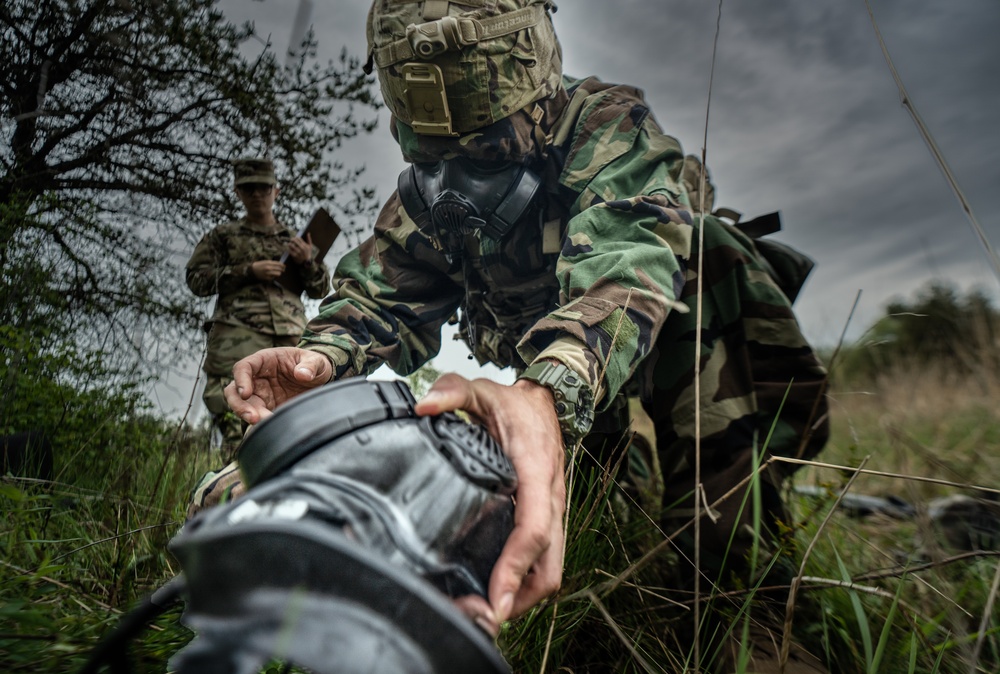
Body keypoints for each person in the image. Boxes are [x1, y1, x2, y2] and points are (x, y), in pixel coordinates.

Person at [224, 2, 830, 670]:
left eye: (481, 139)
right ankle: (617, 548)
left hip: (643, 359)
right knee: (597, 538)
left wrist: (545, 394)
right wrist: (319, 356)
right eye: (435, 144)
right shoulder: (429, 200)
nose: (457, 165)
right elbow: (378, 291)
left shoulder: (604, 131)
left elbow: (629, 259)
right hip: (558, 404)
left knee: (709, 257)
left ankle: (744, 600)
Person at [186, 158, 330, 461]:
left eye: (263, 188)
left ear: (275, 191)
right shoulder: (223, 236)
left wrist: (306, 262)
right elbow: (196, 280)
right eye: (249, 188)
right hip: (238, 335)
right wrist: (247, 271)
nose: (257, 194)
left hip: (291, 336)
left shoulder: (296, 240)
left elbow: (320, 289)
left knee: (302, 416)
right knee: (238, 415)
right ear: (238, 192)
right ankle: (237, 491)